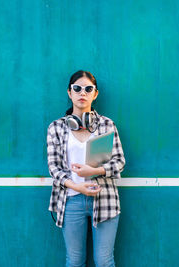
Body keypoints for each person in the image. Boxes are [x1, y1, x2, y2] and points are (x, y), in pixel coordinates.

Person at [47, 70, 126, 267]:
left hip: (105, 199)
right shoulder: (56, 128)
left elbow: (120, 161)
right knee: (74, 262)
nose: (82, 93)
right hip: (71, 200)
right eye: (77, 88)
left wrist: (95, 171)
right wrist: (76, 186)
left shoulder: (107, 125)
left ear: (95, 94)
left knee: (104, 262)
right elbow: (54, 168)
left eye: (88, 89)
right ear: (69, 92)